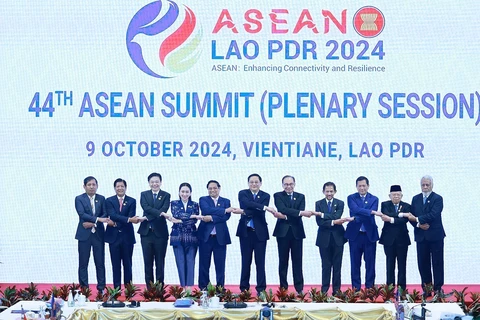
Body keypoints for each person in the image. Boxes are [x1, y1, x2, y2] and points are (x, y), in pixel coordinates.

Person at [197, 180, 241, 291]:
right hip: (205, 237)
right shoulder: (203, 199)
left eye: (214, 188)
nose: (212, 190)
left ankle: (220, 288)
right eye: (210, 188)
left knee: (220, 264)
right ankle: (203, 288)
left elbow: (226, 217)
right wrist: (224, 210)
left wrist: (211, 218)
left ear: (219, 188)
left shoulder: (226, 201)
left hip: (220, 238)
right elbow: (206, 210)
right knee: (204, 264)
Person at [236, 173, 276, 295]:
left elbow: (255, 212)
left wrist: (243, 212)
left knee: (260, 262)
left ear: (260, 183)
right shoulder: (242, 193)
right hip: (245, 232)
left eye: (256, 182)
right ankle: (244, 289)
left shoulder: (266, 195)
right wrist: (265, 207)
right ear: (248, 183)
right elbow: (247, 204)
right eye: (251, 182)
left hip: (260, 233)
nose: (254, 184)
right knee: (245, 261)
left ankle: (261, 289)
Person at [405, 175, 445, 294]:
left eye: (427, 184)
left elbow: (434, 214)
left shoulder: (438, 198)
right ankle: (426, 288)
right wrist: (418, 224)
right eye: (423, 185)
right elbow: (410, 217)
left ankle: (438, 288)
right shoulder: (415, 198)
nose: (425, 187)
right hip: (421, 236)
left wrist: (417, 219)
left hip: (435, 236)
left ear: (432, 185)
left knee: (437, 262)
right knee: (423, 263)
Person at [272, 175, 311, 294]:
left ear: (294, 184)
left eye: (291, 184)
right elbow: (282, 208)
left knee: (297, 261)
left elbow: (294, 213)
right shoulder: (278, 195)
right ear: (282, 185)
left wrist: (285, 216)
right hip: (282, 233)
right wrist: (299, 213)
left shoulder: (301, 196)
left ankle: (299, 288)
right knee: (283, 261)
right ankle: (283, 288)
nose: (288, 186)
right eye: (286, 184)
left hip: (297, 232)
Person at [345, 176, 382, 291]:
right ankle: (356, 289)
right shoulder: (351, 197)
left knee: (370, 264)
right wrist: (370, 211)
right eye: (359, 186)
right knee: (355, 263)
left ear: (368, 186)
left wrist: (358, 216)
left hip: (369, 235)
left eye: (364, 186)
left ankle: (369, 289)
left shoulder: (374, 199)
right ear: (356, 187)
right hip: (355, 235)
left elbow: (362, 213)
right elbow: (354, 209)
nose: (362, 188)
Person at [105, 178, 143, 290]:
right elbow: (112, 215)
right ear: (114, 188)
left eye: (122, 186)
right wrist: (127, 220)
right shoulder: (109, 200)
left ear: (125, 187)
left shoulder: (132, 201)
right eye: (118, 186)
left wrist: (117, 223)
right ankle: (116, 290)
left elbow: (132, 215)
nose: (120, 188)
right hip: (113, 237)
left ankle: (128, 290)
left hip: (127, 237)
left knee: (128, 264)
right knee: (115, 265)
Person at [314, 182, 351, 294]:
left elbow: (337, 216)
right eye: (327, 191)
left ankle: (336, 290)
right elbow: (319, 222)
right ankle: (324, 291)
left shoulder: (340, 203)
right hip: (323, 238)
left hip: (338, 238)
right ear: (323, 191)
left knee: (337, 265)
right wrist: (333, 221)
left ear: (335, 191)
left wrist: (323, 215)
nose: (329, 193)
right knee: (325, 265)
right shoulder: (318, 203)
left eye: (331, 191)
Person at [74, 176, 109, 293]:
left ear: (97, 186)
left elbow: (105, 214)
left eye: (94, 184)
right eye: (89, 185)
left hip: (98, 235)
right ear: (84, 186)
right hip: (84, 235)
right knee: (83, 263)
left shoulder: (102, 198)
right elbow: (82, 214)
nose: (92, 187)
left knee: (100, 263)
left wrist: (93, 222)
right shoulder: (79, 198)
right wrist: (97, 220)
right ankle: (84, 289)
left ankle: (101, 288)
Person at [137, 173, 172, 288]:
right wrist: (159, 213)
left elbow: (163, 209)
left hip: (160, 234)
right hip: (146, 233)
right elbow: (146, 207)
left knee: (160, 262)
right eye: (152, 182)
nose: (154, 184)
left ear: (160, 182)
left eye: (157, 181)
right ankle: (149, 289)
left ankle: (159, 289)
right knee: (148, 262)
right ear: (149, 183)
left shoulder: (166, 195)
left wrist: (147, 217)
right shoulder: (144, 194)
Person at [378, 185, 411, 290]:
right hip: (388, 240)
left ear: (401, 195)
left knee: (402, 265)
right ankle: (390, 289)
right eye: (394, 195)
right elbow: (385, 215)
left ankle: (402, 290)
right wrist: (402, 214)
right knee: (390, 264)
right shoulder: (385, 204)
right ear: (389, 195)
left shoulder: (407, 206)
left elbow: (405, 220)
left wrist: (392, 219)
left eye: (398, 195)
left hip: (402, 240)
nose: (396, 196)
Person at [170, 182, 199, 290]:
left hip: (192, 236)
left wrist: (179, 221)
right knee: (180, 261)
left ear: (190, 193)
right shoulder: (174, 203)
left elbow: (194, 221)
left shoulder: (195, 204)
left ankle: (189, 288)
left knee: (190, 261)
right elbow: (176, 214)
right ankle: (183, 287)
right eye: (182, 191)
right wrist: (191, 216)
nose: (185, 194)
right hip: (177, 236)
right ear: (179, 192)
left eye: (187, 191)